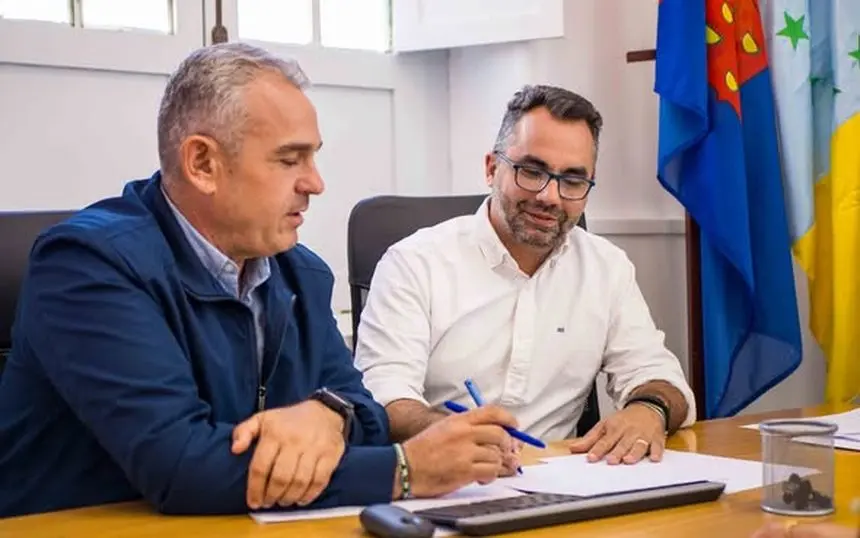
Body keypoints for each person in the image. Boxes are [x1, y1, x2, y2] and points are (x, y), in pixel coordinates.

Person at [0, 43, 519, 518]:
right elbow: (180, 465)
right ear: (203, 162)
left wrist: (326, 415)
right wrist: (405, 472)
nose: (315, 182)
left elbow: (362, 409)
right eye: (289, 159)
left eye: (314, 156)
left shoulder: (298, 271)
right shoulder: (87, 265)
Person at [354, 84, 697, 469]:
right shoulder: (414, 263)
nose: (550, 196)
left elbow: (661, 377)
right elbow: (383, 400)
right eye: (532, 171)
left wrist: (648, 408)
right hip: (444, 481)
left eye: (572, 180)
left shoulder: (606, 267)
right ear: (491, 168)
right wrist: (459, 435)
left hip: (565, 485)